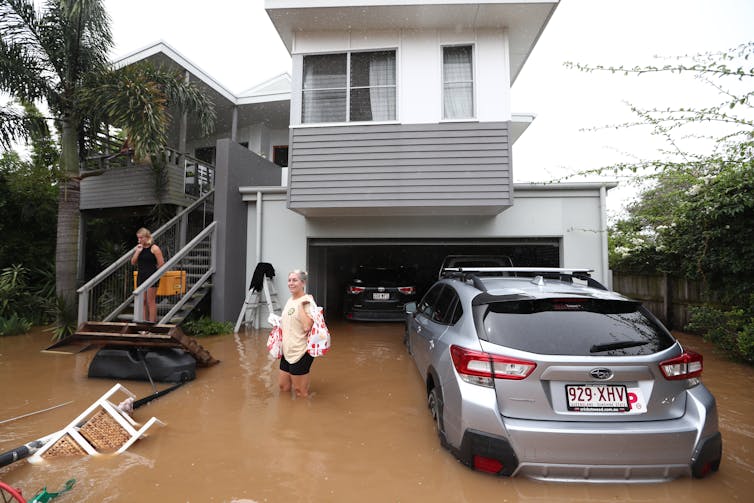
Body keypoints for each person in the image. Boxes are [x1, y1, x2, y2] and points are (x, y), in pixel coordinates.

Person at [279, 269, 315, 398]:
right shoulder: (289, 300)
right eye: (289, 280)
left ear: (303, 283)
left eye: (295, 280)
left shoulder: (308, 302)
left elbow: (307, 327)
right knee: (283, 387)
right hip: (287, 350)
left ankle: (304, 416)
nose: (291, 283)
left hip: (301, 351)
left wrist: (300, 306)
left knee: (300, 392)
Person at [130, 227, 165, 322]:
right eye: (138, 238)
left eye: (141, 238)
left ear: (147, 237)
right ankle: (144, 325)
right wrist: (137, 251)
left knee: (150, 301)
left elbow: (161, 263)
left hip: (152, 277)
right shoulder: (139, 248)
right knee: (143, 301)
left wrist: (154, 275)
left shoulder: (154, 248)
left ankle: (152, 324)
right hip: (141, 276)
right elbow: (133, 262)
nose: (139, 240)